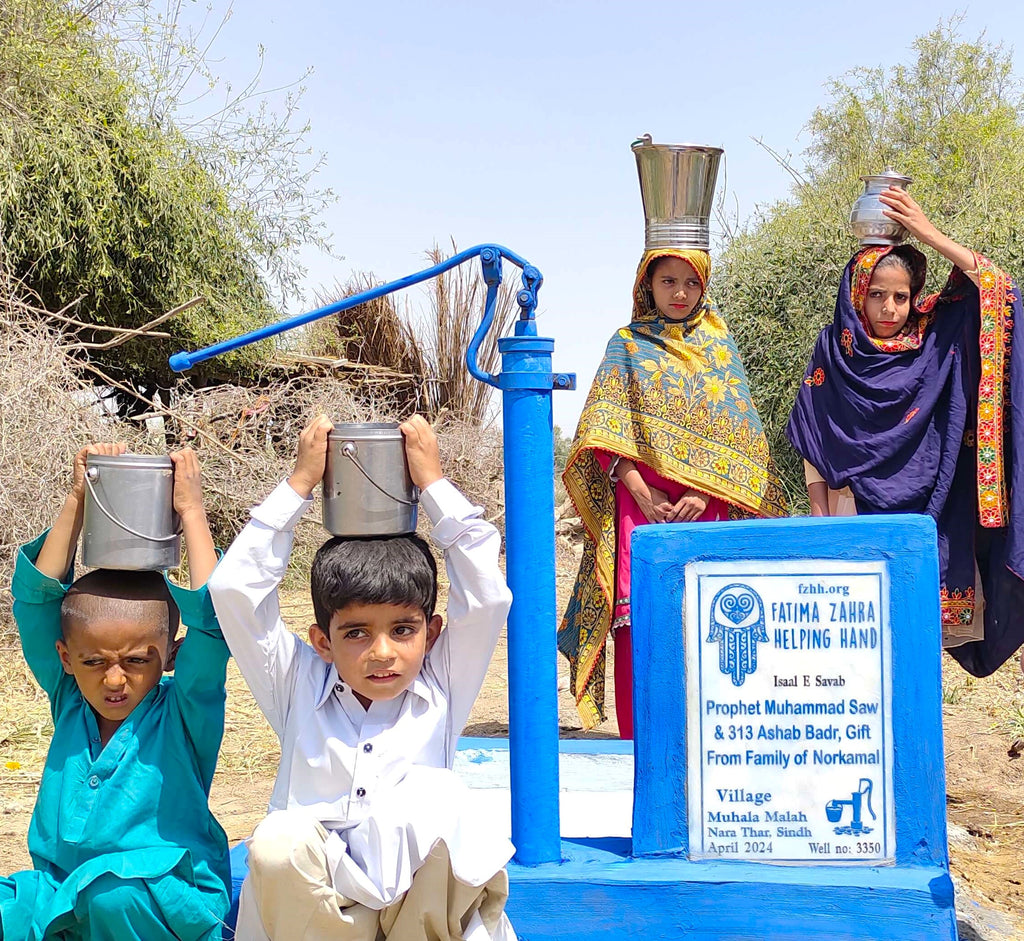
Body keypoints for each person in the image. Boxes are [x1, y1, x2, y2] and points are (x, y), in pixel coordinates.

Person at [208, 414, 516, 941]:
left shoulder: (440, 685)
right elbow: (234, 591)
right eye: (356, 634)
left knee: (442, 796)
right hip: (322, 916)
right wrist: (299, 486)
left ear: (432, 633)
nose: (382, 653)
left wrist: (433, 485)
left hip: (413, 918)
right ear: (322, 641)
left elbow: (487, 596)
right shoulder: (297, 685)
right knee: (279, 839)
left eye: (402, 630)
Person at [787, 186, 1024, 673]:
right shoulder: (835, 348)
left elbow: (999, 290)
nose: (890, 307)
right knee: (851, 651)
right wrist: (818, 514)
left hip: (927, 518)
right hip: (848, 510)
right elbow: (815, 430)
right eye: (877, 295)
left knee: (910, 653)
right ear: (856, 295)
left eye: (901, 296)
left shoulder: (934, 341)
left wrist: (928, 234)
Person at [2, 443, 230, 940]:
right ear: (66, 659)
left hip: (156, 901)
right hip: (63, 894)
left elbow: (214, 627)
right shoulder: (68, 699)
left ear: (169, 655)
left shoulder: (184, 715)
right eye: (93, 662)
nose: (113, 680)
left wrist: (191, 510)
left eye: (136, 661)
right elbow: (35, 603)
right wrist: (79, 499)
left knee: (113, 892)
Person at [559, 248, 788, 736]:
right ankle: (636, 741)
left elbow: (740, 438)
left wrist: (707, 496)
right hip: (638, 508)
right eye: (668, 282)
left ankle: (702, 738)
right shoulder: (625, 345)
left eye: (690, 282)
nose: (680, 293)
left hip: (703, 511)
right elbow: (601, 430)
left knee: (705, 620)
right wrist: (641, 491)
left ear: (703, 286)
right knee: (636, 618)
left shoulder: (719, 349)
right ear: (648, 285)